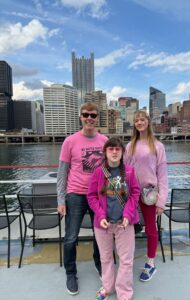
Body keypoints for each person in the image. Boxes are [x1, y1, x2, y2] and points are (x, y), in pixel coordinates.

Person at [57, 102, 108, 295]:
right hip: (75, 195)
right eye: (86, 114)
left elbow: (111, 169)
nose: (89, 118)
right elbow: (62, 173)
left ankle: (100, 264)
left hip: (98, 195)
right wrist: (61, 200)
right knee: (71, 237)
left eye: (93, 115)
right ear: (80, 116)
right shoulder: (70, 141)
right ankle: (71, 273)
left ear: (97, 118)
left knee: (101, 234)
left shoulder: (104, 140)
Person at [87, 137, 140, 300]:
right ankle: (107, 287)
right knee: (105, 257)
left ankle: (124, 292)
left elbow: (135, 194)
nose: (115, 152)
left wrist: (128, 214)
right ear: (105, 152)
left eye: (118, 149)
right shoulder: (98, 172)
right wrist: (100, 214)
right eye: (111, 149)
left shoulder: (130, 171)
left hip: (124, 224)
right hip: (103, 225)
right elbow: (91, 196)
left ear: (123, 152)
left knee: (126, 259)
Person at [124, 110, 168, 282]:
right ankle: (127, 260)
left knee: (151, 228)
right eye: (136, 120)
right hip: (132, 192)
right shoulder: (130, 146)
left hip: (150, 193)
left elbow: (162, 175)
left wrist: (161, 201)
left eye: (142, 119)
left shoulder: (158, 146)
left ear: (148, 122)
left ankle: (151, 263)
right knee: (127, 226)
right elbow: (126, 171)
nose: (139, 122)